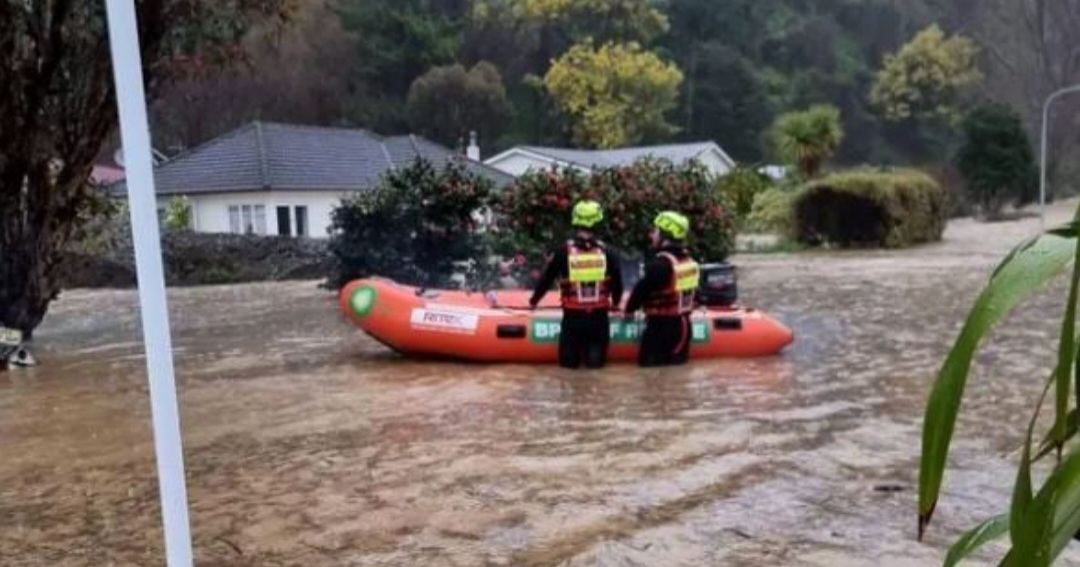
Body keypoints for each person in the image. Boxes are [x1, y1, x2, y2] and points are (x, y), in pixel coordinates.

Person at [529, 200, 624, 369]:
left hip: (573, 320)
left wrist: (534, 301)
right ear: (598, 222)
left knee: (568, 370)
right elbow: (618, 285)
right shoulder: (609, 252)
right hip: (599, 319)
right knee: (595, 370)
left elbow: (546, 280)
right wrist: (616, 303)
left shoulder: (563, 252)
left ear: (576, 220)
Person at [624, 211, 700, 367]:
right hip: (684, 327)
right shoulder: (689, 261)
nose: (652, 235)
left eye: (656, 231)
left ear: (665, 236)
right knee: (675, 376)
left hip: (660, 328)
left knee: (650, 377)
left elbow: (640, 291)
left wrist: (628, 310)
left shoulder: (660, 265)